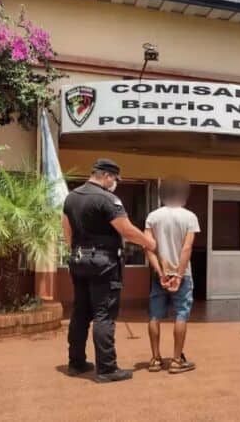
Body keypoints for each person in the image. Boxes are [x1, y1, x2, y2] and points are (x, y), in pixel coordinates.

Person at [62, 158, 157, 382]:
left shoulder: (71, 197)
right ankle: (106, 369)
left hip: (78, 260)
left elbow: (66, 229)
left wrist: (78, 251)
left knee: (80, 312)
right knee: (103, 314)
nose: (115, 183)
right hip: (103, 264)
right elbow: (126, 230)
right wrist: (148, 243)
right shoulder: (108, 199)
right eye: (114, 178)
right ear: (106, 176)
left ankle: (75, 363)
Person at [144, 176, 200, 374]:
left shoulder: (152, 217)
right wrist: (178, 274)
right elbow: (187, 248)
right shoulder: (190, 217)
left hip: (160, 274)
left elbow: (148, 248)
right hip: (182, 275)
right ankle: (176, 360)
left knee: (154, 316)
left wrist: (160, 273)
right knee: (181, 315)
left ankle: (155, 359)